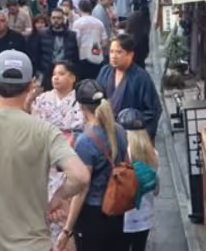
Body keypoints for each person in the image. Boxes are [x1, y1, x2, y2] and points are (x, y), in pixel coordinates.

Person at [0, 51, 90, 250]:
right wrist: (58, 197)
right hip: (32, 244)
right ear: (30, 86)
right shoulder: (45, 131)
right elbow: (80, 176)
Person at [59, 79, 129, 251]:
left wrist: (67, 229)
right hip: (117, 207)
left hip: (93, 213)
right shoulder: (119, 130)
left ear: (81, 107)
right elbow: (126, 162)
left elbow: (81, 189)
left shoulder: (85, 141)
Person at [32, 62, 85, 245]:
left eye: (62, 74)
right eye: (54, 74)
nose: (56, 77)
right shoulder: (42, 99)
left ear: (73, 78)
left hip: (70, 157)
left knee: (66, 205)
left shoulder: (79, 101)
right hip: (46, 159)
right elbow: (35, 125)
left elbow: (80, 125)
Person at [96, 34, 162, 142]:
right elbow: (96, 99)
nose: (113, 56)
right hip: (107, 132)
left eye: (119, 52)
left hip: (130, 135)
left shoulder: (141, 77)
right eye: (111, 52)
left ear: (130, 54)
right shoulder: (104, 71)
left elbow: (153, 110)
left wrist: (133, 121)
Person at [117, 109, 159, 251]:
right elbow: (156, 190)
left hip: (124, 216)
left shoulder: (123, 154)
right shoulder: (153, 154)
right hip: (145, 215)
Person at [31, 8, 80, 91]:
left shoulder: (72, 35)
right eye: (54, 18)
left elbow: (75, 56)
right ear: (50, 19)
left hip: (65, 72)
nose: (56, 21)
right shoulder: (42, 34)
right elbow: (36, 54)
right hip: (47, 73)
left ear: (63, 19)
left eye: (59, 18)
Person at [72, 0, 109, 82]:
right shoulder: (99, 23)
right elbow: (105, 42)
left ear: (80, 9)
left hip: (82, 56)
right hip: (97, 56)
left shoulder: (77, 23)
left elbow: (75, 41)